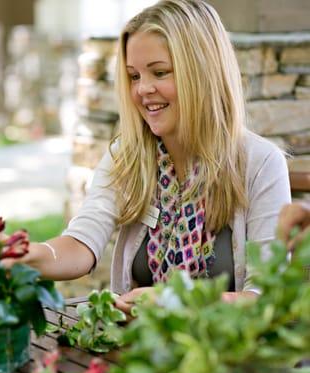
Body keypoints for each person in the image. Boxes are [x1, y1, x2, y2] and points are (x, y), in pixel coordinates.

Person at [16, 0, 290, 312]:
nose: (143, 89)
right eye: (134, 76)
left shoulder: (261, 163)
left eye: (159, 73)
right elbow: (82, 242)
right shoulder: (128, 156)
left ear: (201, 72)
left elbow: (267, 299)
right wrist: (29, 256)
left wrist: (177, 302)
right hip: (144, 349)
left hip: (230, 356)